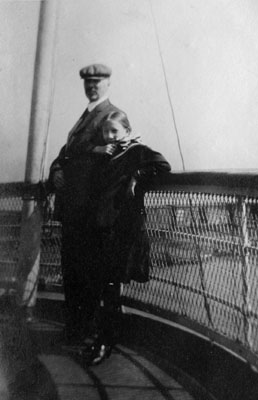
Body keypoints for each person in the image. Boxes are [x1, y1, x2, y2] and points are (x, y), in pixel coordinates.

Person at [70, 110, 171, 365]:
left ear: (127, 130)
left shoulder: (137, 151)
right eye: (106, 132)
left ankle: (104, 342)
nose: (110, 136)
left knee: (111, 285)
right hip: (102, 229)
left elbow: (163, 166)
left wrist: (137, 177)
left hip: (121, 230)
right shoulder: (107, 156)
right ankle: (105, 339)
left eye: (115, 131)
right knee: (105, 286)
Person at [47, 63, 127, 345]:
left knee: (90, 272)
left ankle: (87, 331)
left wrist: (89, 151)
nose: (92, 86)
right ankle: (75, 329)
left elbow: (115, 155)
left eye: (97, 82)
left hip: (92, 211)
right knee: (72, 270)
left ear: (108, 84)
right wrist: (56, 171)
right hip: (73, 209)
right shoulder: (85, 118)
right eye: (88, 83)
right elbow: (64, 154)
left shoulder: (112, 115)